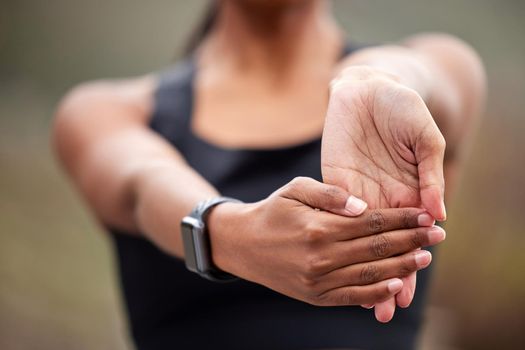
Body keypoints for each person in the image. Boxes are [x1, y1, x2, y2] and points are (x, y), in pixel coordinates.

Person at [52, 1, 485, 349]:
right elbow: (143, 181)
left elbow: (422, 73)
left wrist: (372, 80)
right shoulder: (105, 111)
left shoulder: (430, 69)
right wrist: (229, 233)